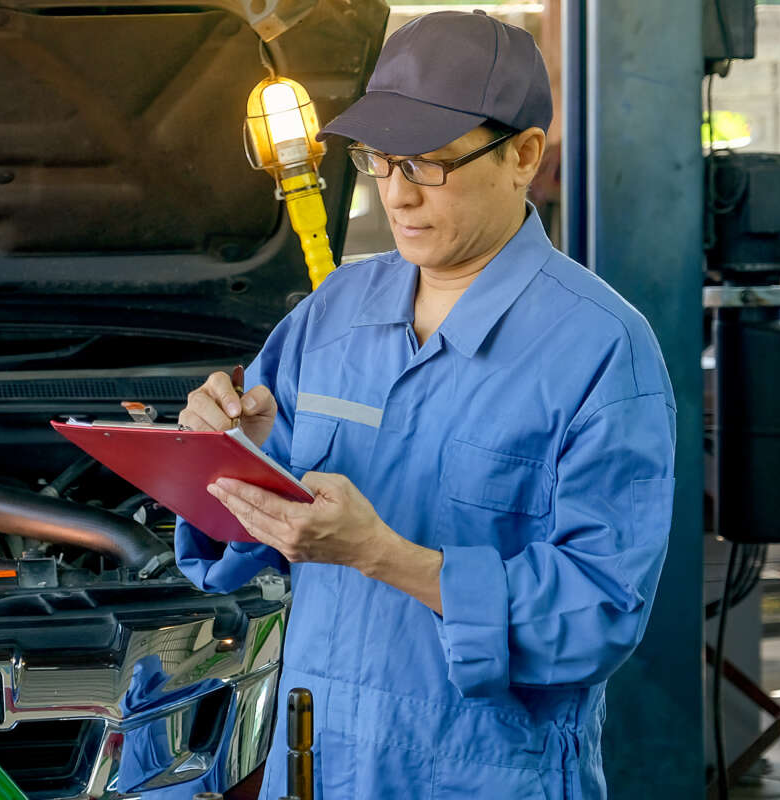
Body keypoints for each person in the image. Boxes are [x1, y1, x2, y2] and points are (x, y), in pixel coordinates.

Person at [175, 11, 676, 800]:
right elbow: (253, 550)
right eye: (380, 160)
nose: (397, 195)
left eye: (429, 165)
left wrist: (385, 555)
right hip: (316, 762)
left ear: (523, 155)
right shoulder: (333, 310)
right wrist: (233, 457)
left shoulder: (601, 348)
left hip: (483, 774)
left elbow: (595, 614)